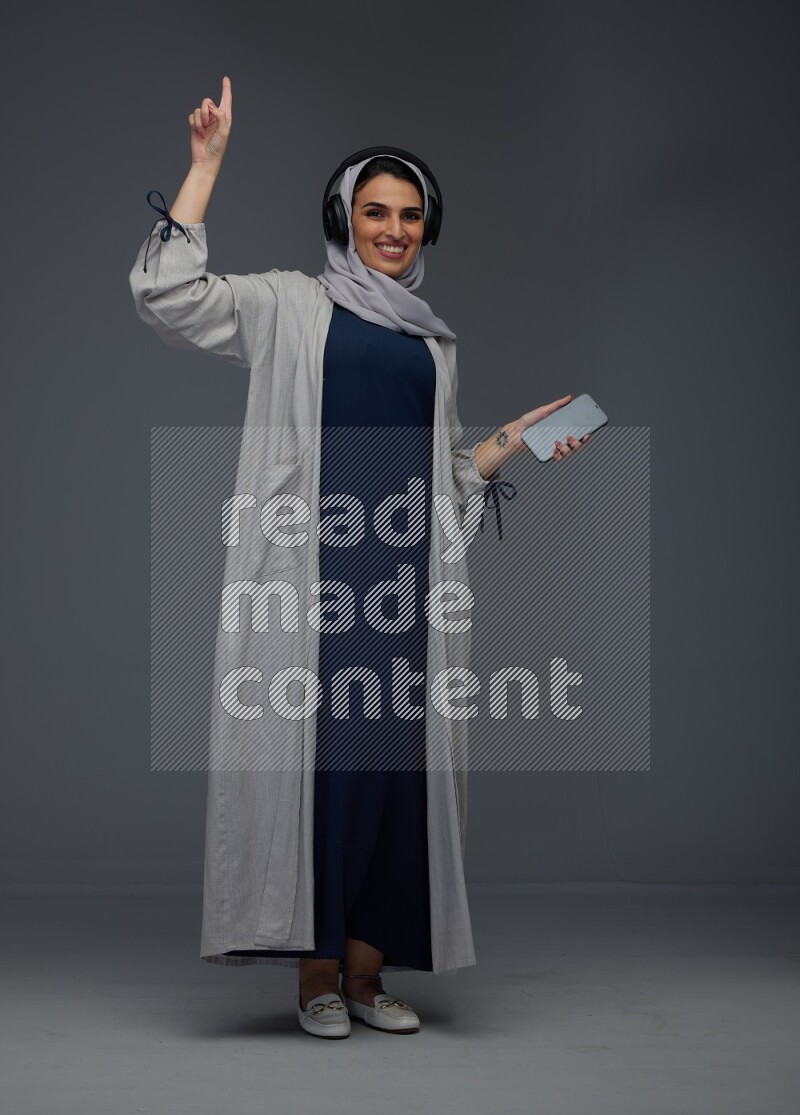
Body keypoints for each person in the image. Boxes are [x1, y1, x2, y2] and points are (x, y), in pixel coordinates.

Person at [130, 76, 589, 1040]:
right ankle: (316, 975)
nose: (394, 229)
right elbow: (167, 294)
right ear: (344, 217)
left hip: (407, 592)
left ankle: (372, 973)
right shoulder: (290, 307)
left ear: (428, 229)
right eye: (376, 212)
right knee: (320, 770)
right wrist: (204, 167)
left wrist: (517, 441)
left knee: (393, 776)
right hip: (311, 584)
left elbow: (447, 479)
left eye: (410, 216)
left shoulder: (434, 343)